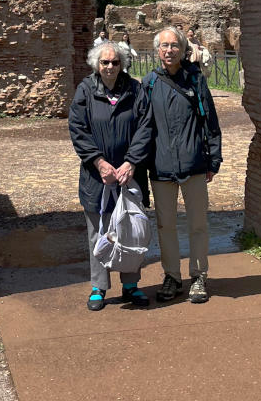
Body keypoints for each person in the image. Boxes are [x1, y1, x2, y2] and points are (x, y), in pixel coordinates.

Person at [69, 41, 152, 311]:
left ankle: (130, 284)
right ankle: (99, 286)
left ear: (122, 64)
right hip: (97, 177)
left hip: (129, 174)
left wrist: (131, 162)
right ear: (96, 64)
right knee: (100, 231)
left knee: (129, 230)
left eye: (115, 62)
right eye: (104, 62)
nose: (109, 67)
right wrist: (98, 162)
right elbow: (78, 129)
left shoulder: (135, 90)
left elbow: (145, 128)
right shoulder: (85, 90)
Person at [142, 27, 222, 304]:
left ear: (183, 48)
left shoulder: (195, 80)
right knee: (166, 225)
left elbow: (210, 121)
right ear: (157, 50)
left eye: (174, 45)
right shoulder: (149, 83)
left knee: (198, 223)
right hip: (161, 165)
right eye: (164, 45)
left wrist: (214, 158)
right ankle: (172, 276)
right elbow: (143, 127)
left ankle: (198, 275)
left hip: (194, 163)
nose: (169, 50)